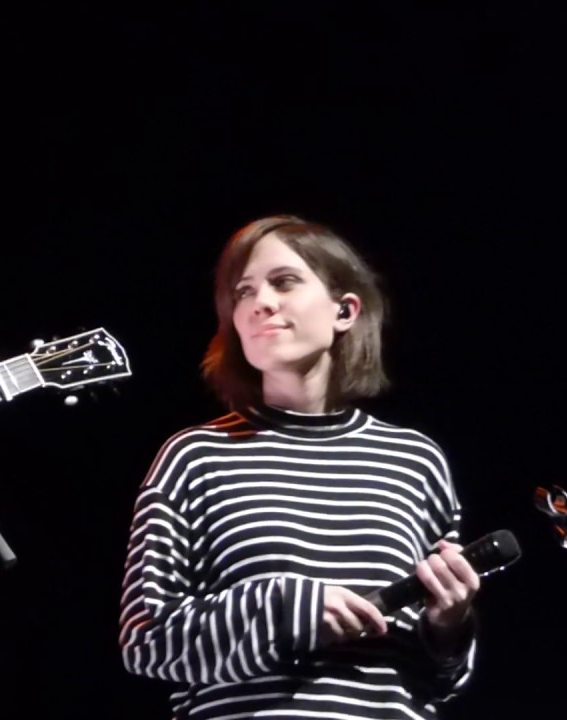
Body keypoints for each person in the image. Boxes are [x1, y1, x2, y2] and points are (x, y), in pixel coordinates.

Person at [118, 215, 478, 719]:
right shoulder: (195, 456)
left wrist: (451, 626)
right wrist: (292, 609)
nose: (260, 302)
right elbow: (146, 641)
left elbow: (441, 680)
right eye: (243, 292)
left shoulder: (414, 462)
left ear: (345, 310)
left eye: (284, 282)